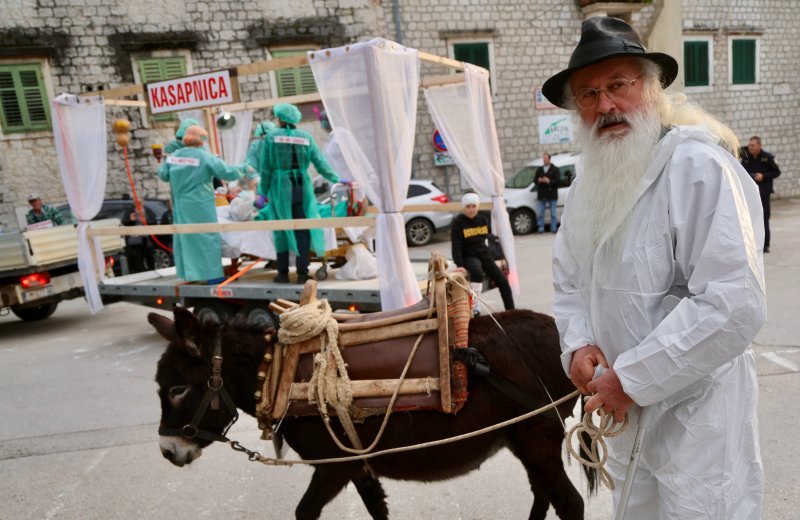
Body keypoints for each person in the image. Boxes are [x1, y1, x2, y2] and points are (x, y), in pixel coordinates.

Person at [542, 16, 766, 518]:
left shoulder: (697, 167)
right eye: (588, 94)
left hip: (696, 411)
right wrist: (578, 343)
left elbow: (733, 302)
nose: (605, 106)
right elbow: (570, 282)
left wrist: (634, 378)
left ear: (652, 85)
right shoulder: (586, 186)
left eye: (619, 85)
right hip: (622, 407)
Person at [259, 103, 339, 284]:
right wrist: (337, 179)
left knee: (281, 229)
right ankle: (303, 273)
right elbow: (321, 164)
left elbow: (266, 169)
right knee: (303, 230)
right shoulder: (306, 137)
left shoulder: (271, 138)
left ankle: (283, 273)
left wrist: (262, 193)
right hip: (303, 188)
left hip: (281, 188)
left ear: (279, 118)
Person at [158, 125, 246, 283]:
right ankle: (213, 277)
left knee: (186, 240)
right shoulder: (204, 156)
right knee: (207, 239)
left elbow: (163, 175)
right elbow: (226, 172)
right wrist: (244, 168)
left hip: (182, 207)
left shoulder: (173, 157)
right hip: (200, 206)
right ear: (201, 141)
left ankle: (189, 275)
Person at [450, 192, 514, 314]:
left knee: (503, 281)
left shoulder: (483, 219)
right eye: (468, 207)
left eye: (474, 206)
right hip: (468, 255)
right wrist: (460, 265)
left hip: (483, 254)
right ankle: (475, 308)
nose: (471, 209)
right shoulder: (458, 222)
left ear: (477, 206)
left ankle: (511, 311)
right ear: (464, 207)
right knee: (477, 272)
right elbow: (456, 245)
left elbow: (488, 239)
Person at [740, 135, 781, 252]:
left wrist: (763, 176)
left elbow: (776, 172)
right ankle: (752, 244)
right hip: (749, 194)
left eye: (753, 145)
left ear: (759, 146)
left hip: (763, 193)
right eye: (749, 145)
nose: (750, 147)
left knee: (764, 219)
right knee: (749, 219)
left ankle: (765, 244)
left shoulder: (767, 158)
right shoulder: (746, 156)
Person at [534, 152, 560, 233]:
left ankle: (553, 228)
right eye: (543, 159)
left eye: (546, 158)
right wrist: (539, 180)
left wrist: (548, 181)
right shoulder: (539, 169)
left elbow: (558, 181)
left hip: (552, 194)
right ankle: (541, 228)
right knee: (540, 212)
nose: (544, 160)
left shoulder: (555, 169)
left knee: (553, 213)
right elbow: (534, 180)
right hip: (542, 194)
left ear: (549, 159)